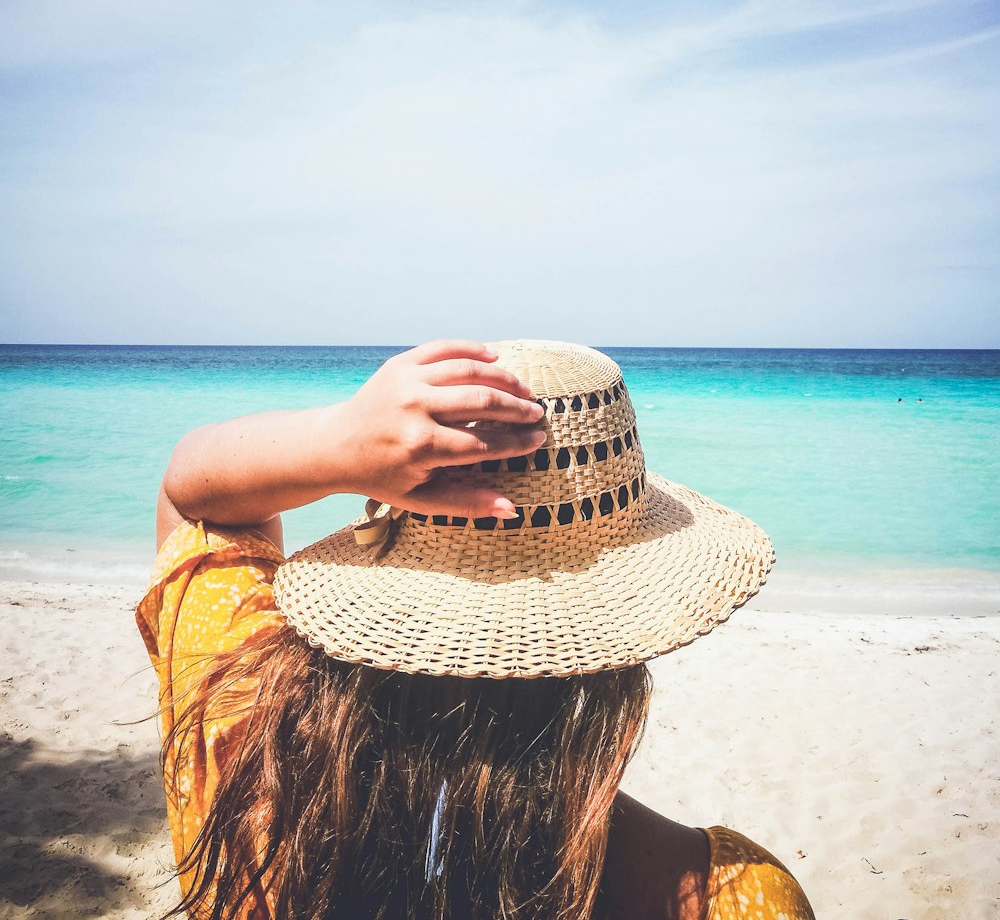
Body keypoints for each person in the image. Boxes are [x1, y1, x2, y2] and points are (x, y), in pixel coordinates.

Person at [138, 339, 815, 920]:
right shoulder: (729, 896)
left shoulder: (246, 762)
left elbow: (195, 498)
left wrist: (340, 443)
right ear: (621, 642)